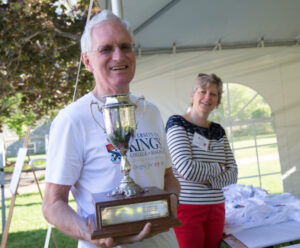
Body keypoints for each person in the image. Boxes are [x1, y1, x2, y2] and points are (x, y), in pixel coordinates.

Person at [42, 10, 180, 248]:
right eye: (106, 49)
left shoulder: (150, 111)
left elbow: (168, 177)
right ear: (87, 61)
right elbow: (53, 204)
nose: (119, 56)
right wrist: (92, 235)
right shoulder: (72, 119)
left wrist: (167, 207)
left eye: (125, 46)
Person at [165, 73, 238, 248]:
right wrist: (220, 168)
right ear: (192, 95)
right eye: (202, 91)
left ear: (218, 101)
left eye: (213, 94)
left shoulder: (218, 130)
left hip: (217, 208)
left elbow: (233, 174)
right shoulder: (177, 123)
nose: (207, 97)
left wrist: (205, 178)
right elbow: (186, 168)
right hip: (187, 208)